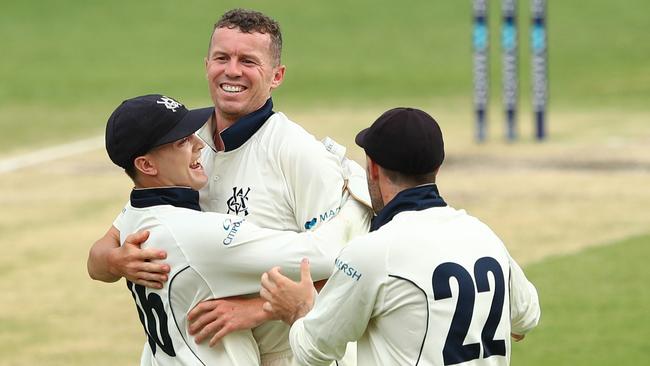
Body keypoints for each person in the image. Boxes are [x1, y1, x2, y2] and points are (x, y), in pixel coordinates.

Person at [87, 9, 358, 365]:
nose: (232, 71)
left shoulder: (299, 154)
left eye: (248, 61)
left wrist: (259, 309)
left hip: (290, 354)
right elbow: (101, 255)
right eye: (222, 58)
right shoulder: (183, 142)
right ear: (206, 65)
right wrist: (117, 260)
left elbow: (347, 266)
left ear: (276, 76)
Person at [102, 94, 371, 365]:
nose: (198, 144)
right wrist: (359, 196)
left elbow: (97, 258)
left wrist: (109, 260)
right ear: (146, 165)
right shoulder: (196, 234)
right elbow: (324, 254)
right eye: (182, 141)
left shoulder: (135, 219)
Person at [260, 107, 541, 365]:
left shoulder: (371, 252)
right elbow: (526, 318)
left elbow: (313, 351)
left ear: (372, 168)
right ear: (437, 169)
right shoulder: (483, 235)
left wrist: (298, 310)